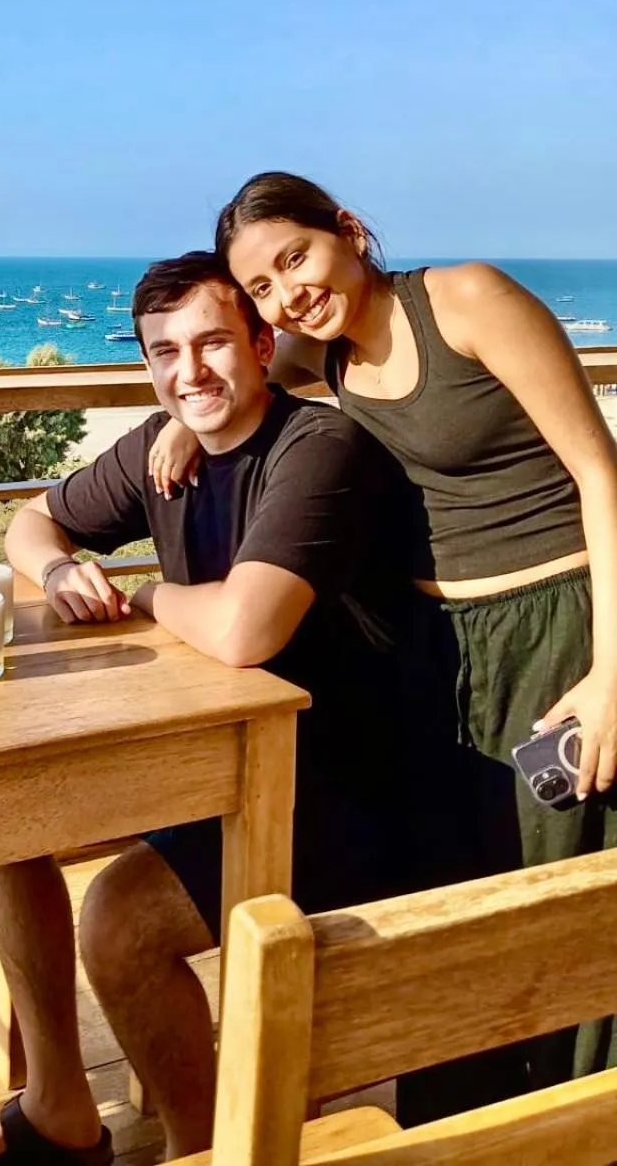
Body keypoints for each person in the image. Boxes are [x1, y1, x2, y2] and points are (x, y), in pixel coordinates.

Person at [0, 251, 407, 1166]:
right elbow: (30, 523)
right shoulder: (163, 443)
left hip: (340, 785)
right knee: (3, 813)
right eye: (165, 352)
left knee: (119, 923)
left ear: (263, 345)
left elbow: (242, 631)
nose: (190, 372)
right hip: (214, 751)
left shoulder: (318, 451)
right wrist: (61, 571)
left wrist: (141, 594)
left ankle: (200, 1148)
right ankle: (58, 1108)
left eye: (213, 343)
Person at [149, 172, 617, 1085]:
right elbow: (241, 371)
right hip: (439, 650)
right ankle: (466, 1116)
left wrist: (611, 674)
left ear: (350, 232)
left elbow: (602, 474)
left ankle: (579, 1117)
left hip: (557, 624)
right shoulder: (322, 351)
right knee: (458, 890)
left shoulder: (466, 300)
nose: (289, 294)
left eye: (297, 258)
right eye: (261, 287)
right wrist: (171, 421)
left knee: (561, 885)